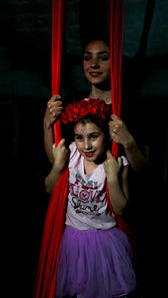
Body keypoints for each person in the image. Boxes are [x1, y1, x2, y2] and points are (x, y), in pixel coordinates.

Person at [45, 98, 137, 298]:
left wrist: (112, 176)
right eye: (79, 137)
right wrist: (57, 165)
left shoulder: (117, 162)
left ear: (108, 136)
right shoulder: (71, 156)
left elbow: (121, 209)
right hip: (72, 239)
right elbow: (49, 188)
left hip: (104, 242)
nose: (86, 145)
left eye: (93, 136)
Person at [43, 36, 147, 173]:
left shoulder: (132, 108)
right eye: (87, 58)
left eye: (103, 58)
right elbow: (56, 162)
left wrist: (128, 142)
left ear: (116, 62)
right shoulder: (71, 105)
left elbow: (144, 171)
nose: (93, 64)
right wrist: (47, 124)